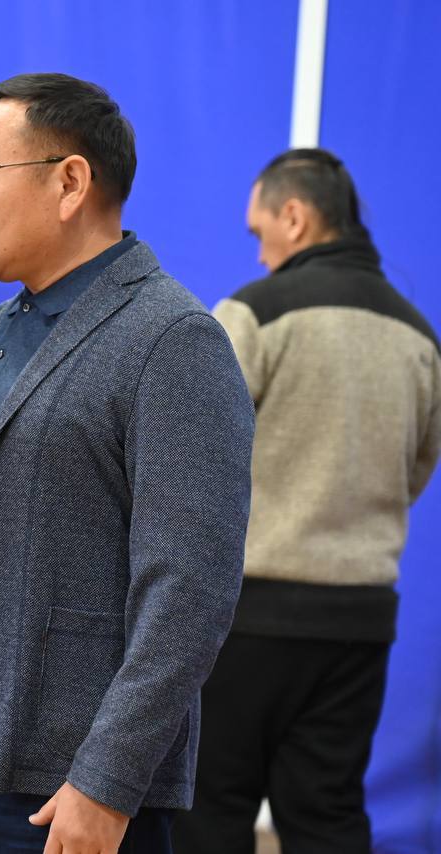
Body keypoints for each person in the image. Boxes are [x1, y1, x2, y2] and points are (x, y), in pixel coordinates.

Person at [0, 72, 255, 853]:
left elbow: (191, 591)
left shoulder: (172, 340)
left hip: (73, 777)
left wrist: (108, 779)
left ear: (69, 182)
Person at [172, 149, 441, 853]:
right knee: (328, 814)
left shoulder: (254, 313)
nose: (259, 254)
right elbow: (415, 471)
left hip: (246, 618)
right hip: (360, 620)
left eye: (259, 232)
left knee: (208, 813)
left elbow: (192, 456)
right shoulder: (418, 335)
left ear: (293, 217)